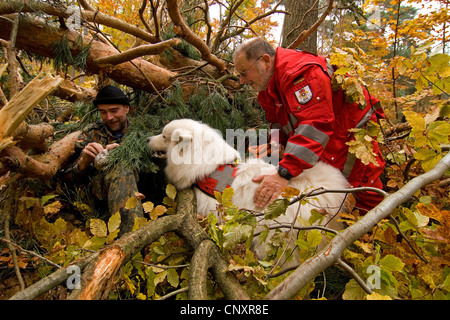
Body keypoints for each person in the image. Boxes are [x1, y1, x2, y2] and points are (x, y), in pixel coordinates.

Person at [233, 38, 385, 213]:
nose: (242, 80)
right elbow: (278, 122)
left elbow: (315, 125)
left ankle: (377, 236)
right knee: (329, 195)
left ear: (266, 61)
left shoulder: (299, 73)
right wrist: (277, 149)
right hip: (328, 136)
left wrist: (284, 173)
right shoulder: (268, 87)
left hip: (351, 135)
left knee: (363, 192)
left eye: (244, 72)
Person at [64, 85, 143, 234]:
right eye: (103, 112)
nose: (109, 117)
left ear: (126, 108)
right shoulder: (91, 133)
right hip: (100, 192)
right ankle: (129, 238)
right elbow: (67, 180)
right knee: (120, 168)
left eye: (114, 111)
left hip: (143, 187)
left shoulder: (142, 129)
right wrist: (83, 163)